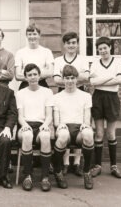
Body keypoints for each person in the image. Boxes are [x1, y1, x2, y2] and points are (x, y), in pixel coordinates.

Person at [52, 65, 94, 190]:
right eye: (67, 78)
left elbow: (87, 118)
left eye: (72, 78)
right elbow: (56, 121)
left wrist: (85, 126)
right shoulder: (56, 97)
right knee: (63, 135)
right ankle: (58, 171)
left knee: (88, 134)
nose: (70, 81)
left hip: (79, 128)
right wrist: (59, 125)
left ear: (76, 79)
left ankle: (86, 171)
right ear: (63, 79)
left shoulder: (85, 96)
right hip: (64, 127)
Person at [53, 32, 90, 176]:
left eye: (74, 42)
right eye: (68, 43)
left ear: (77, 44)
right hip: (63, 92)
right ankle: (66, 163)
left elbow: (86, 77)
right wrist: (72, 79)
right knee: (65, 123)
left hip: (79, 92)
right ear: (64, 45)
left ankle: (77, 163)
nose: (71, 45)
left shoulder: (82, 59)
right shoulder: (58, 60)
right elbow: (56, 79)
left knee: (79, 122)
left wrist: (69, 77)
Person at [89, 37, 121, 179]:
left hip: (112, 98)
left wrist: (100, 81)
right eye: (100, 48)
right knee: (98, 133)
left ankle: (113, 166)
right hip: (98, 98)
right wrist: (110, 77)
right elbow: (92, 83)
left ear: (110, 47)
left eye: (105, 47)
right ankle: (97, 166)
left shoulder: (118, 61)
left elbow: (120, 80)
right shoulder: (95, 63)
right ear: (98, 49)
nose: (103, 50)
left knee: (110, 133)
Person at [16, 63, 53, 192]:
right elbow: (20, 116)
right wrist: (25, 125)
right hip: (26, 124)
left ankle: (45, 177)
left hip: (41, 124)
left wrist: (45, 125)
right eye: (29, 75)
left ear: (39, 76)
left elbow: (49, 115)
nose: (33, 77)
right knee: (27, 135)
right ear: (25, 78)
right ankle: (28, 175)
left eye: (35, 74)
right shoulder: (20, 93)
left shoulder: (47, 92)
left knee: (46, 136)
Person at [15, 24, 54, 90]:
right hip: (25, 86)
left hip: (42, 84)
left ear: (39, 35)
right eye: (29, 34)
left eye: (34, 34)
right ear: (26, 36)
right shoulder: (20, 52)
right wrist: (42, 72)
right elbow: (18, 75)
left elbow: (50, 72)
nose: (32, 36)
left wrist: (28, 75)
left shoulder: (47, 52)